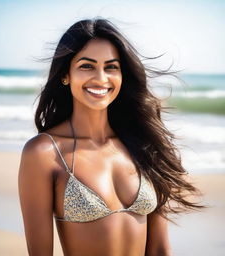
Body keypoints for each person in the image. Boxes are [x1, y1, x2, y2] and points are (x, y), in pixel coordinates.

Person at [18, 18, 202, 256]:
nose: (101, 78)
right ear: (66, 74)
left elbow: (159, 249)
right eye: (87, 66)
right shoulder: (44, 153)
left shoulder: (144, 144)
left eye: (111, 67)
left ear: (122, 75)